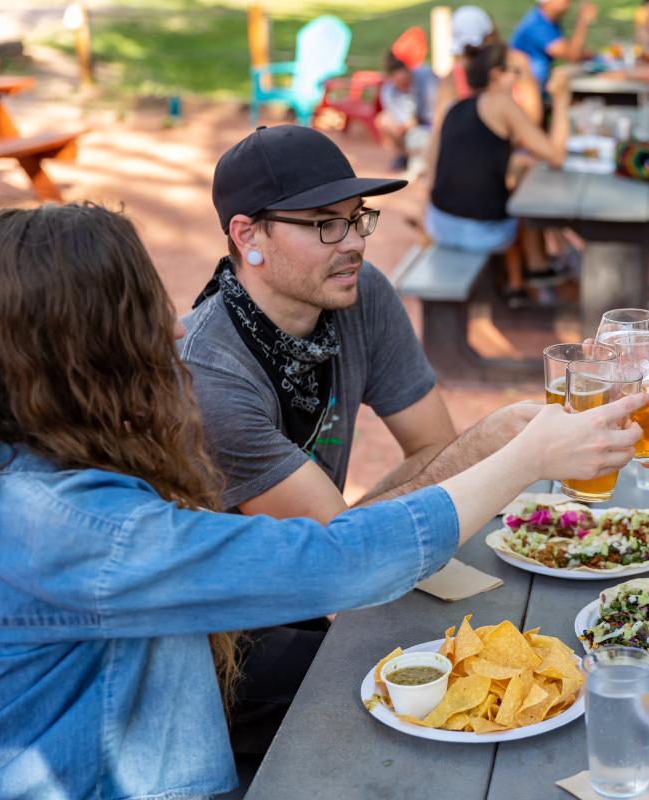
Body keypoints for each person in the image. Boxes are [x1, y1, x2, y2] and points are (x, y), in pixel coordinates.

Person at [0, 202, 645, 798]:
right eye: (141, 315)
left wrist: (495, 449)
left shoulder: (40, 470)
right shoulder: (67, 524)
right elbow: (335, 562)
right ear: (77, 350)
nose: (171, 328)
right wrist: (523, 462)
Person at [178, 123, 542, 754]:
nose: (353, 245)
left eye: (359, 218)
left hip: (313, 592)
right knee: (432, 703)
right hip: (217, 648)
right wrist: (495, 448)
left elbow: (432, 448)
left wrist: (363, 521)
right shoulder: (212, 375)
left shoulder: (356, 294)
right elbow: (340, 564)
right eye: (325, 224)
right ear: (247, 236)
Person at [426, 44, 573, 307]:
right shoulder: (501, 103)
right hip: (480, 232)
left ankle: (523, 279)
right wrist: (562, 100)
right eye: (514, 72)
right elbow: (555, 155)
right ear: (496, 75)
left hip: (439, 223)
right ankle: (532, 273)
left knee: (517, 179)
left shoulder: (455, 107)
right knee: (523, 198)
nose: (517, 79)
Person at [510, 0, 598, 89]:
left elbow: (570, 51)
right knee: (563, 76)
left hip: (536, 83)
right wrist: (582, 21)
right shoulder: (538, 25)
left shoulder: (548, 22)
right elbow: (573, 56)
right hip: (528, 88)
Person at [376, 49, 438, 172]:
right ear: (392, 80)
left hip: (433, 118)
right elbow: (407, 122)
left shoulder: (427, 77)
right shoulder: (389, 92)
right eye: (400, 82)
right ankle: (404, 155)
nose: (404, 84)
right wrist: (407, 125)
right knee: (384, 120)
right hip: (414, 124)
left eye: (406, 80)